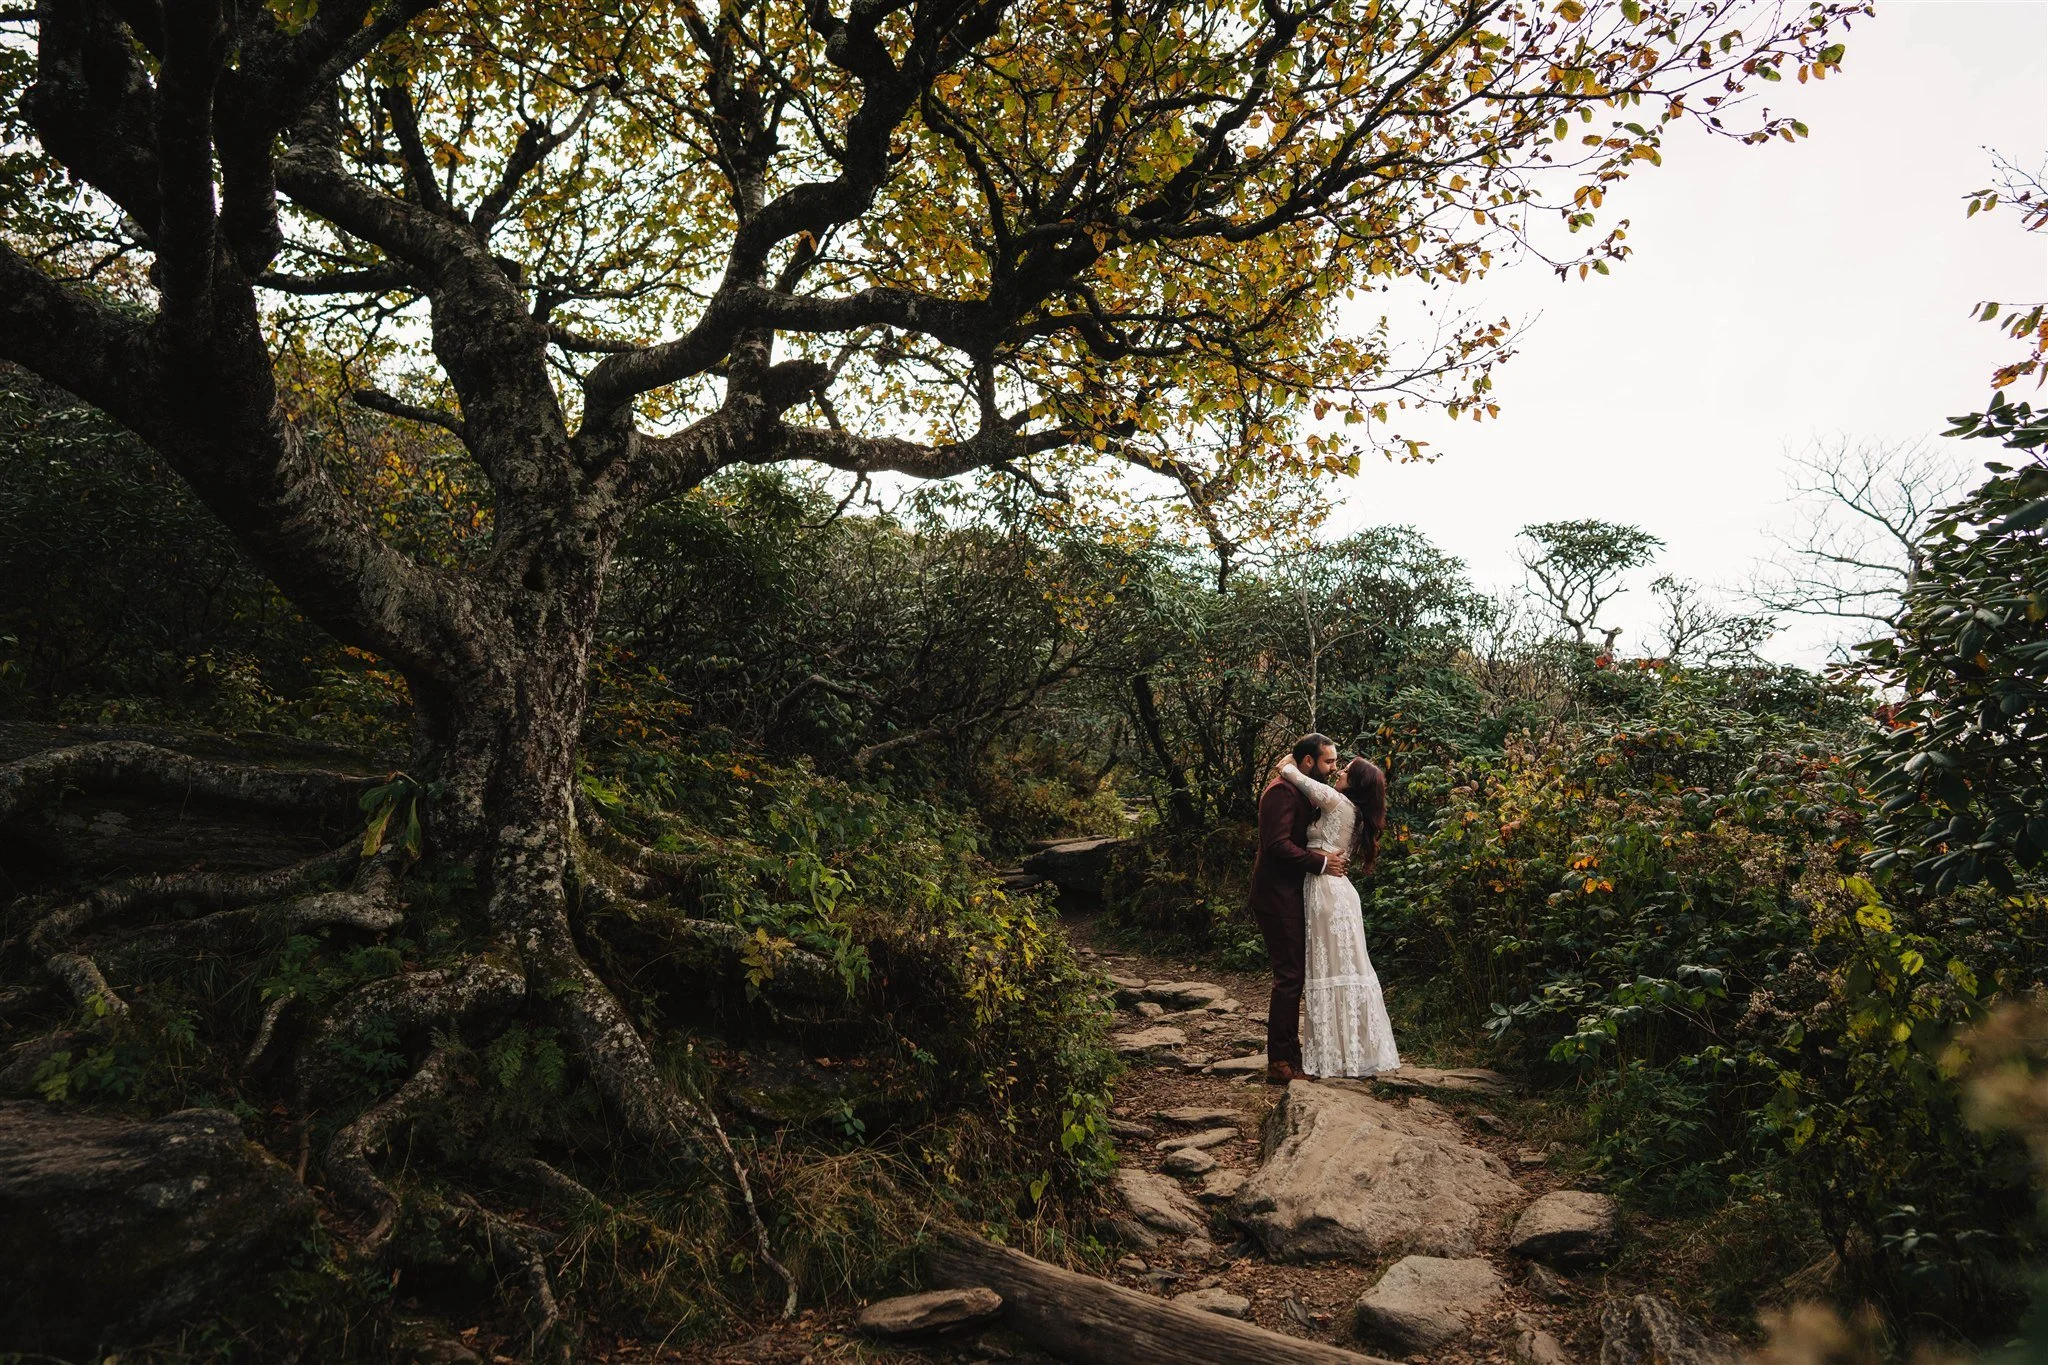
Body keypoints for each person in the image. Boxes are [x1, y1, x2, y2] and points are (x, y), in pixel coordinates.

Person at [1277, 752, 1399, 1079]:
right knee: (1343, 970)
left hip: (1327, 893)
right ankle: (1350, 1054)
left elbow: (1288, 773)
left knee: (1329, 972)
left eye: (1345, 770)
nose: (1339, 771)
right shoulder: (1355, 812)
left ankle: (1335, 1057)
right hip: (1337, 892)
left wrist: (1293, 758)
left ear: (1355, 782)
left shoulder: (1335, 801)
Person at [1247, 733, 1346, 1083]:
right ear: (1307, 762)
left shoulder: (1300, 788)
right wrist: (1319, 863)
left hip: (1292, 894)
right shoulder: (1279, 793)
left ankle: (1291, 1053)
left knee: (1294, 975)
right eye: (1328, 761)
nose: (1334, 768)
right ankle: (1279, 1062)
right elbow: (1276, 846)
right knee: (1289, 977)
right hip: (1276, 896)